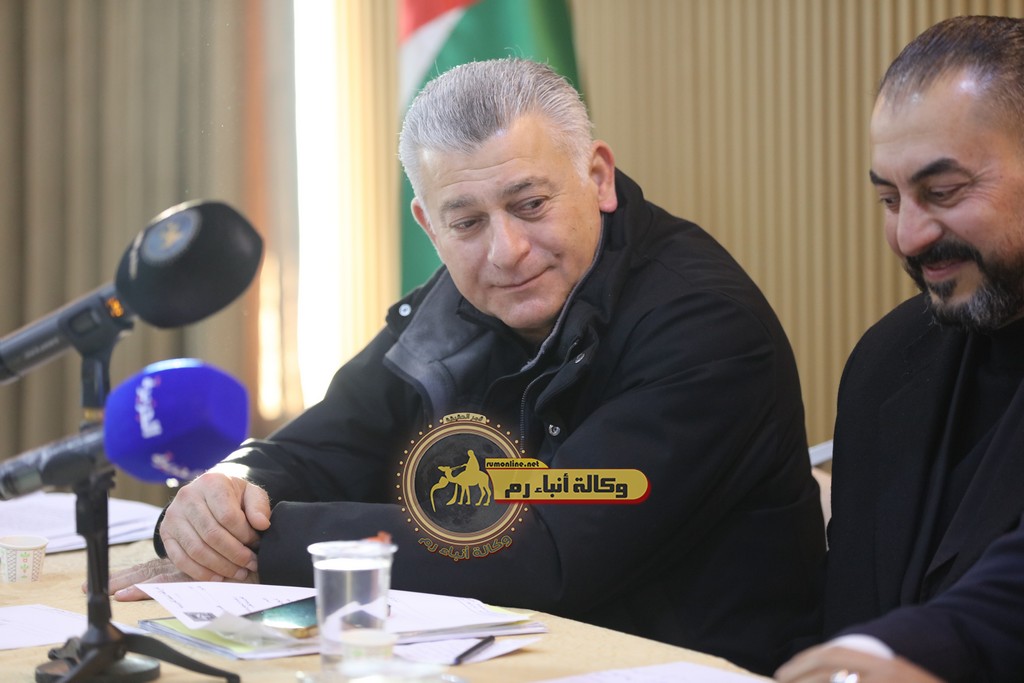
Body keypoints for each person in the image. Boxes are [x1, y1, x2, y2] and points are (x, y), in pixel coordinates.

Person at [110, 57, 824, 675]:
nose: (506, 251)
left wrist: (263, 542)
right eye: (468, 222)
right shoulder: (459, 298)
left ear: (598, 177)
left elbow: (549, 548)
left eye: (530, 204)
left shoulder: (706, 324)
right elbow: (328, 443)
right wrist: (226, 493)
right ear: (430, 225)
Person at [776, 15, 1024, 683]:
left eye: (942, 192)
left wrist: (894, 651)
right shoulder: (886, 360)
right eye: (890, 199)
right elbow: (848, 614)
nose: (909, 237)